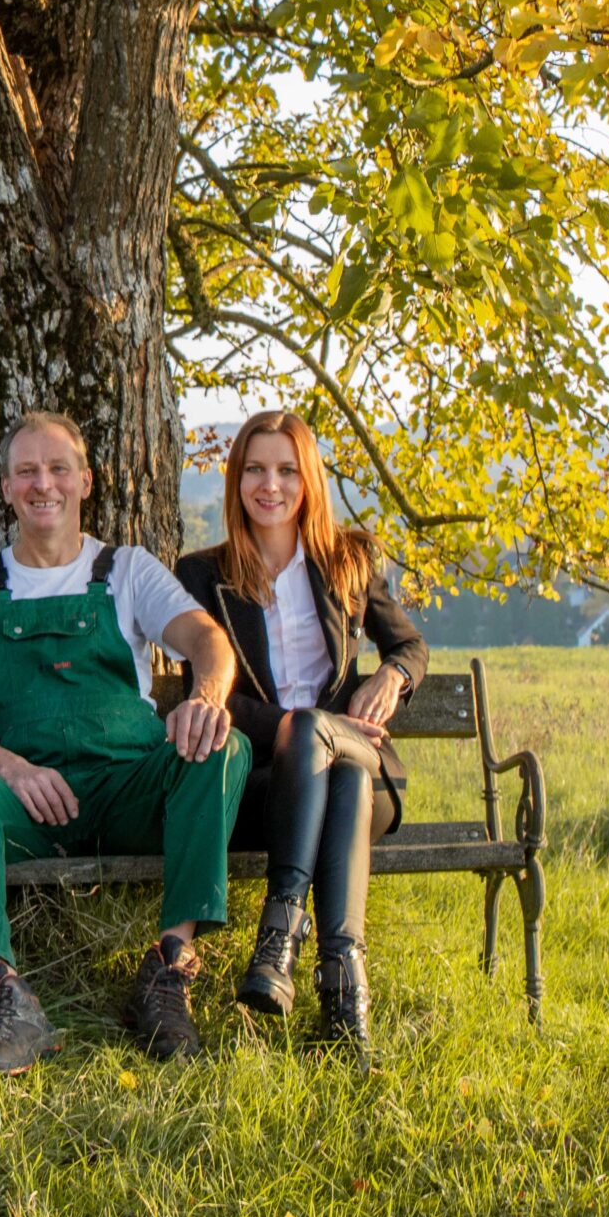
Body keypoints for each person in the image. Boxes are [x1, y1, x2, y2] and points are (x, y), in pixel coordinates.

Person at [0, 411, 250, 1075]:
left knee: (225, 746)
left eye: (58, 468)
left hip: (126, 789)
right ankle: (7, 1001)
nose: (43, 483)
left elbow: (207, 641)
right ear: (5, 487)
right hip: (28, 801)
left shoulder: (125, 569)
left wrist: (206, 697)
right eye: (27, 471)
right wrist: (10, 768)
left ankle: (167, 973)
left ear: (86, 481)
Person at [173, 411, 428, 1052]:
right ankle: (345, 999)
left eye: (287, 470)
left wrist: (391, 679)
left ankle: (279, 939)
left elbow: (409, 645)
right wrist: (301, 726)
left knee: (345, 765)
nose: (271, 485)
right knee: (328, 755)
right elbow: (213, 693)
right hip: (270, 785)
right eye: (256, 469)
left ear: (308, 479)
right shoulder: (204, 575)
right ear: (236, 480)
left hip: (368, 776)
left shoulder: (349, 560)